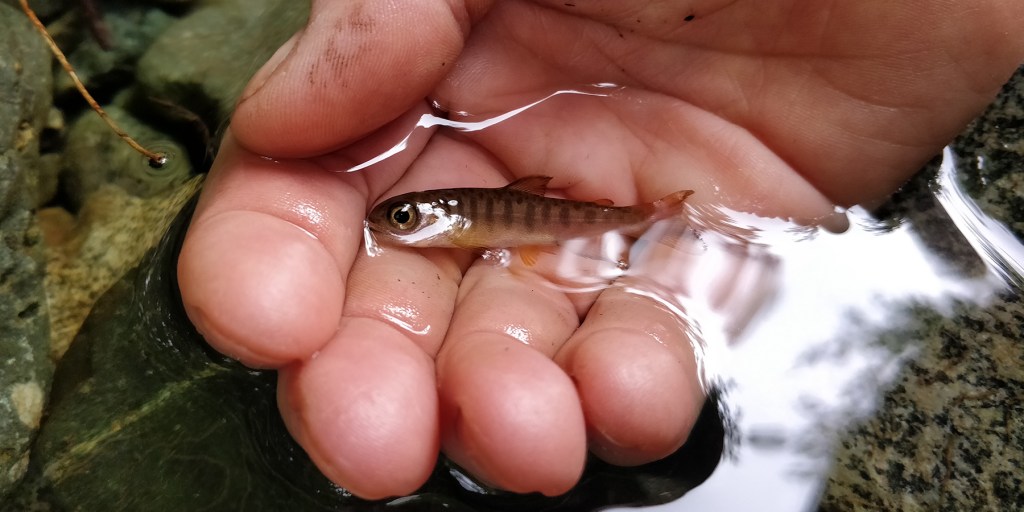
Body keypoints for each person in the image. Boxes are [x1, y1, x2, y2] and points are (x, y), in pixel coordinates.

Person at [177, 0, 1024, 500]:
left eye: (403, 219)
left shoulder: (465, 215)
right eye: (401, 221)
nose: (397, 224)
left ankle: (658, 219)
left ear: (428, 217)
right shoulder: (459, 212)